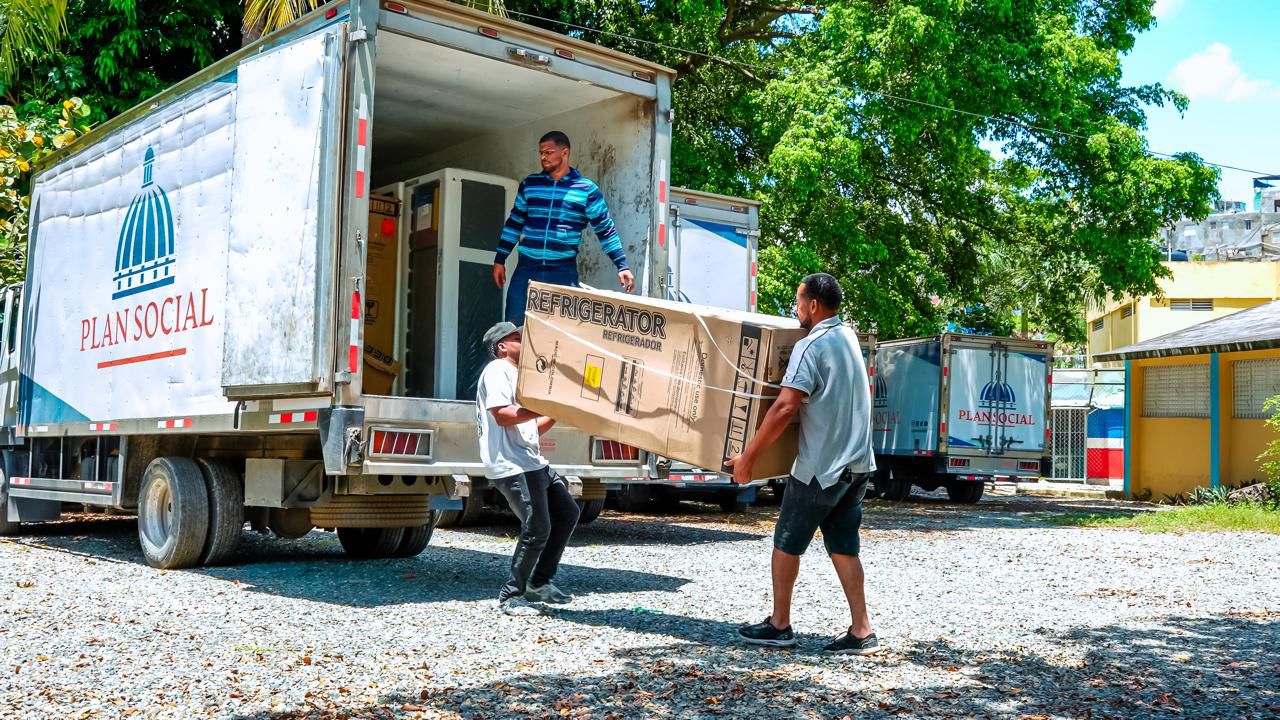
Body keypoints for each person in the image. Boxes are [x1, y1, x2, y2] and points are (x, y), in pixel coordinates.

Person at [725, 273, 881, 655]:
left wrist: (748, 458)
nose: (796, 309)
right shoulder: (848, 339)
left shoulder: (811, 346)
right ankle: (862, 630)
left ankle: (780, 625)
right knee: (844, 546)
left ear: (813, 305)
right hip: (857, 465)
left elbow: (784, 406)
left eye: (798, 301)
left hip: (821, 468)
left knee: (786, 543)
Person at [476, 321, 582, 616]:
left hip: (532, 462)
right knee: (537, 526)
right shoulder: (498, 371)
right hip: (511, 465)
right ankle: (511, 596)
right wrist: (543, 406)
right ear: (502, 347)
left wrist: (558, 411)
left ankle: (539, 582)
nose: (525, 341)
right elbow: (503, 415)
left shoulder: (522, 376)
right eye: (517, 338)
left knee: (567, 512)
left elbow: (533, 427)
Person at [493, 130, 635, 325]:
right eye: (541, 152)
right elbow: (514, 223)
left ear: (565, 153)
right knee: (514, 329)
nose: (543, 157)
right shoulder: (530, 184)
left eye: (549, 152)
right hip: (526, 269)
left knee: (560, 330)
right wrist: (500, 259)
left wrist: (622, 265)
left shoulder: (586, 190)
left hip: (562, 271)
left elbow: (605, 229)